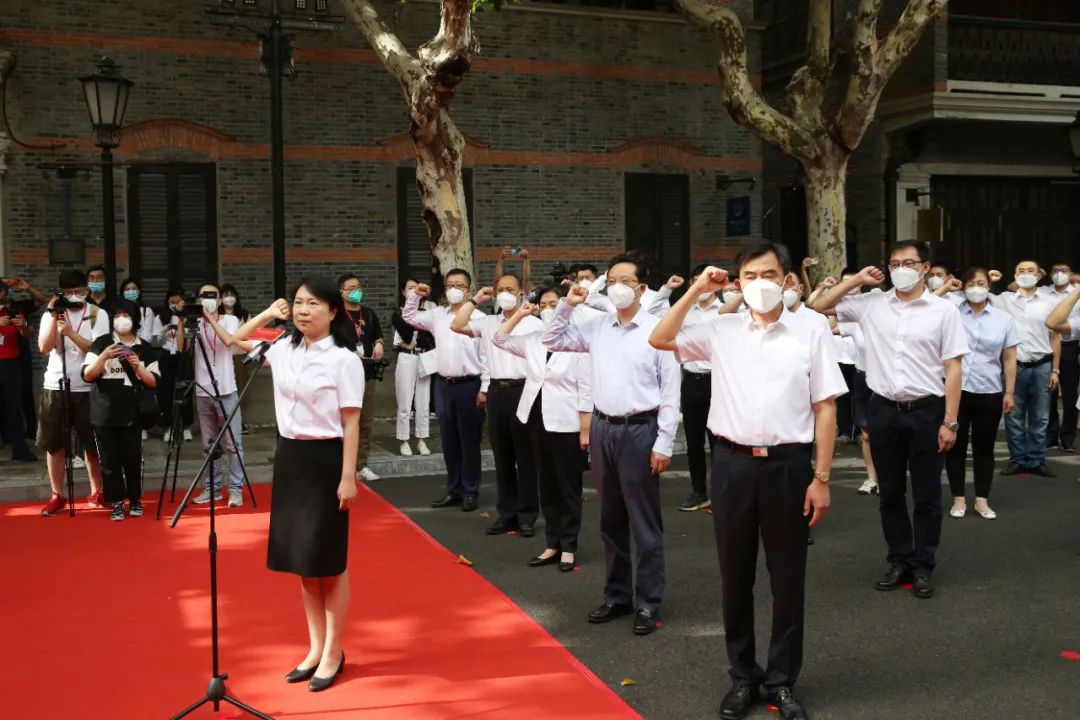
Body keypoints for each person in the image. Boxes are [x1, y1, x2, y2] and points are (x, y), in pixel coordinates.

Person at [650, 242, 844, 720]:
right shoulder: (722, 329)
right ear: (738, 282)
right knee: (735, 576)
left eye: (769, 274)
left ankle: (782, 681)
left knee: (788, 578)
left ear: (786, 279)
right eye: (750, 275)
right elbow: (660, 337)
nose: (760, 283)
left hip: (788, 466)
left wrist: (821, 477)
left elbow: (825, 407)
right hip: (733, 466)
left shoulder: (811, 329)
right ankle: (743, 676)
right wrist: (698, 287)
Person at [813, 240, 968, 600]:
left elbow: (953, 367)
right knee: (890, 493)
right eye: (894, 263)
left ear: (925, 268)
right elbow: (818, 306)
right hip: (883, 409)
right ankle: (899, 559)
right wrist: (856, 281)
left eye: (909, 263)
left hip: (928, 410)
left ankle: (923, 564)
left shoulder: (944, 311)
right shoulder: (872, 304)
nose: (901, 269)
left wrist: (950, 421)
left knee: (927, 495)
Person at [234, 278, 364, 693]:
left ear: (333, 311)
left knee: (330, 561)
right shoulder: (282, 348)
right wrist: (269, 314)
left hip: (327, 461)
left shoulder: (345, 360)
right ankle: (315, 648)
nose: (303, 310)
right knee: (304, 562)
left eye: (313, 303)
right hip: (290, 459)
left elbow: (351, 423)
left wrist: (347, 477)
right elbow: (235, 338)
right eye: (298, 303)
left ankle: (334, 651)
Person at [543, 253, 680, 636]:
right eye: (612, 280)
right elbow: (551, 339)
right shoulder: (597, 326)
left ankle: (648, 600)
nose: (617, 287)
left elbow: (671, 391)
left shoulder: (658, 329)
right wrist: (568, 306)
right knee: (610, 519)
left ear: (641, 288)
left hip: (640, 430)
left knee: (644, 521)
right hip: (603, 428)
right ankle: (617, 595)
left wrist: (664, 442)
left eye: (625, 281)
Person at [494, 285, 591, 570]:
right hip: (535, 417)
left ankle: (569, 546)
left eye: (554, 304)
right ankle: (552, 543)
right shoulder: (533, 339)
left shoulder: (579, 341)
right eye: (544, 304)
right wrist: (520, 314)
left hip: (567, 420)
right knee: (546, 484)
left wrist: (585, 428)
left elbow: (586, 387)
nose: (548, 309)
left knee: (568, 486)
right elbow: (499, 339)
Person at [452, 272, 542, 536]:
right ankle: (507, 513)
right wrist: (475, 300)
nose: (505, 294)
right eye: (500, 289)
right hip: (497, 391)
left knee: (525, 455)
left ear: (520, 293)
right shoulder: (489, 322)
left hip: (524, 389)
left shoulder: (534, 324)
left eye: (510, 289)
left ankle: (527, 515)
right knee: (502, 455)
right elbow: (457, 325)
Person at [403, 269, 487, 512]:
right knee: (449, 441)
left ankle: (470, 491)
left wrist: (485, 388)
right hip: (443, 385)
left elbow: (486, 357)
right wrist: (416, 295)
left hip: (470, 384)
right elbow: (409, 316)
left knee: (469, 441)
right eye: (450, 284)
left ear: (469, 290)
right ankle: (454, 490)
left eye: (459, 285)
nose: (454, 289)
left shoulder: (481, 318)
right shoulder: (438, 315)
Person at [945, 268, 1018, 521]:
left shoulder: (1003, 318)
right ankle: (958, 498)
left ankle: (982, 500)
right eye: (971, 283)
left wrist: (1009, 392)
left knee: (984, 449)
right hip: (956, 390)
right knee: (955, 446)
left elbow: (1009, 357)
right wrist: (946, 287)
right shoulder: (952, 313)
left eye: (981, 283)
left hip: (989, 389)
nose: (976, 288)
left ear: (989, 286)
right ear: (962, 286)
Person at [38, 270, 110, 516]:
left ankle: (97, 490)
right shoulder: (52, 314)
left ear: (86, 290)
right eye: (68, 292)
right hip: (55, 384)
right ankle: (57, 494)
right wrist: (54, 316)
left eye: (78, 291)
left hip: (88, 385)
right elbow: (44, 347)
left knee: (92, 443)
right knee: (54, 444)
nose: (73, 295)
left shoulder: (98, 314)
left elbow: (98, 348)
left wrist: (70, 333)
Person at [82, 299, 161, 521]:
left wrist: (137, 366)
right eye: (116, 316)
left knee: (132, 459)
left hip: (132, 412)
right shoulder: (101, 343)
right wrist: (103, 357)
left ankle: (135, 500)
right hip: (104, 411)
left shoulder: (145, 347)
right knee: (109, 461)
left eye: (126, 315)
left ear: (134, 319)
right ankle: (116, 501)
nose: (121, 320)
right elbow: (87, 375)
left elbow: (154, 381)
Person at [181, 282, 253, 508]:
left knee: (233, 445)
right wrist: (183, 320)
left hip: (226, 390)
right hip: (203, 391)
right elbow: (182, 348)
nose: (208, 299)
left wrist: (210, 318)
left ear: (220, 300)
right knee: (209, 446)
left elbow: (229, 340)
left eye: (212, 295)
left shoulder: (230, 319)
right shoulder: (195, 323)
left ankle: (235, 489)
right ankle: (212, 488)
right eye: (204, 296)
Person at [988, 260, 1059, 477]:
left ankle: (1036, 460)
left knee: (1041, 417)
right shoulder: (1004, 300)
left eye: (1030, 271)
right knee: (1013, 416)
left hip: (1042, 365)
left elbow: (1055, 336)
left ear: (1039, 275)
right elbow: (978, 295)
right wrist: (990, 280)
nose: (1025, 274)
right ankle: (1018, 459)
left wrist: (1055, 370)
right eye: (1021, 271)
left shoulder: (1049, 301)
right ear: (1014, 275)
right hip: (1014, 366)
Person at [676, 264, 720, 512]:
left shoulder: (727, 310)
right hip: (691, 380)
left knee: (718, 441)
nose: (700, 285)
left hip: (718, 380)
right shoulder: (685, 311)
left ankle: (721, 493)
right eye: (695, 281)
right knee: (694, 441)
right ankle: (698, 492)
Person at [338, 274, 384, 482]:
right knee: (344, 422)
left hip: (367, 374)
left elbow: (378, 335)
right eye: (351, 288)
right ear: (342, 293)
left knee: (365, 422)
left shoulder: (369, 313)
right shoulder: (336, 316)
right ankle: (341, 465)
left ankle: (361, 465)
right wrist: (349, 353)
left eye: (358, 286)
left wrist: (379, 344)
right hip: (345, 377)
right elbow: (331, 342)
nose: (356, 291)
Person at [392, 278, 434, 457]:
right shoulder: (398, 314)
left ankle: (422, 439)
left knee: (423, 401)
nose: (413, 291)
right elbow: (397, 342)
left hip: (424, 357)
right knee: (405, 400)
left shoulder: (426, 313)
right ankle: (404, 439)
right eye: (409, 288)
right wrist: (406, 344)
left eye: (415, 288)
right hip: (407, 357)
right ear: (403, 292)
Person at [1039, 263, 1079, 451]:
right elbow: (1013, 287)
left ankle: (1068, 437)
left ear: (1071, 274)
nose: (1059, 274)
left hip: (1070, 346)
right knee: (1049, 393)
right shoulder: (1043, 292)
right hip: (1047, 345)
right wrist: (1037, 274)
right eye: (1055, 270)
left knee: (1070, 394)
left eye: (1064, 271)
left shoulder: (1077, 292)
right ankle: (1051, 435)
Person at [119, 278, 163, 441]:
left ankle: (142, 424)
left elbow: (147, 335)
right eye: (127, 289)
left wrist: (134, 344)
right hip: (123, 349)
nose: (130, 291)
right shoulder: (118, 310)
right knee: (125, 386)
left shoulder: (146, 311)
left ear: (139, 291)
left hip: (142, 350)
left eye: (134, 288)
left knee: (142, 387)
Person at [0, 279, 38, 461]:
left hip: (11, 364)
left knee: (13, 407)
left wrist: (23, 326)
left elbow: (30, 334)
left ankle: (19, 449)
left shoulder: (13, 311)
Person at [156, 289, 195, 444]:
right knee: (165, 392)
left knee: (185, 391)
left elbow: (189, 341)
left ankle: (186, 427)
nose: (175, 305)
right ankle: (167, 427)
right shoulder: (161, 317)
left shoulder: (188, 316)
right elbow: (156, 342)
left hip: (183, 356)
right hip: (166, 355)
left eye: (178, 302)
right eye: (171, 302)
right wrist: (163, 331)